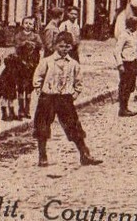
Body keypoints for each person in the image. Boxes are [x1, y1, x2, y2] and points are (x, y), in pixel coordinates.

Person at [31, 33, 102, 168]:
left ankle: (84, 153)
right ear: (55, 45)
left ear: (71, 47)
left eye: (67, 46)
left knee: (73, 125)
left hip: (65, 99)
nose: (64, 49)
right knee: (42, 126)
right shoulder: (47, 61)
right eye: (61, 46)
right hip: (48, 98)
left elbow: (78, 81)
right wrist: (41, 92)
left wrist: (74, 95)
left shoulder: (74, 64)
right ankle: (42, 155)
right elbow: (37, 77)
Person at [10, 16, 43, 119]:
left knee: (29, 88)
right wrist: (24, 43)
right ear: (22, 24)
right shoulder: (19, 35)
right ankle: (21, 109)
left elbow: (40, 45)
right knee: (20, 87)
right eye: (26, 23)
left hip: (31, 65)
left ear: (33, 26)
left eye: (30, 24)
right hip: (20, 64)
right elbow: (16, 45)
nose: (28, 26)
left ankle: (27, 109)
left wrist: (33, 44)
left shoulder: (36, 36)